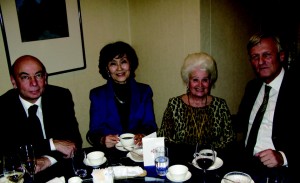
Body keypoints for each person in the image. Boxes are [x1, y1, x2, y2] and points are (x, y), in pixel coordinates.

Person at [0, 55, 83, 180]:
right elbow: (8, 151)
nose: (34, 83)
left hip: (58, 168)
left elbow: (74, 141)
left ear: (45, 77)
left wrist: (48, 160)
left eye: (38, 75)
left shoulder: (60, 96)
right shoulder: (3, 106)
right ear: (13, 81)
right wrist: (51, 144)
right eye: (25, 77)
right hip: (23, 175)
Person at [235, 32, 297, 182]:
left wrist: (283, 157)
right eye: (255, 57)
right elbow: (240, 121)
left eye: (267, 55)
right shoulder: (252, 87)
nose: (261, 62)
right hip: (246, 163)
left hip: (278, 172)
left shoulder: (297, 90)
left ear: (281, 56)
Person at [157, 52, 235, 154]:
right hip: (183, 161)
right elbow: (164, 138)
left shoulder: (220, 105)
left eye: (205, 80)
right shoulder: (174, 104)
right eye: (195, 80)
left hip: (212, 161)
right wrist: (187, 151)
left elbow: (230, 139)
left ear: (210, 81)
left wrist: (208, 152)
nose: (200, 85)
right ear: (187, 81)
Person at [87, 41, 158, 148]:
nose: (119, 68)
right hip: (110, 153)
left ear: (131, 64)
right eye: (113, 63)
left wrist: (143, 135)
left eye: (123, 62)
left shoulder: (144, 91)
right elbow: (93, 133)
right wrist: (102, 140)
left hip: (138, 151)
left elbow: (150, 125)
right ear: (107, 68)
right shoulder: (97, 95)